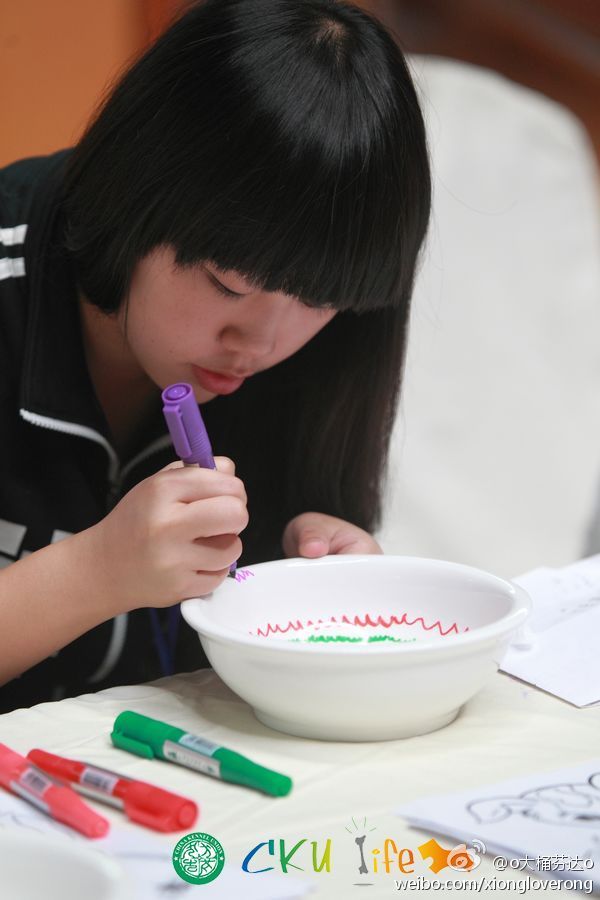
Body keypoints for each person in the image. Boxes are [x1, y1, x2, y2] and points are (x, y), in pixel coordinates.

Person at [0, 0, 431, 712]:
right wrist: (94, 572)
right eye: (229, 285)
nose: (260, 344)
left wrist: (320, 597)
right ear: (136, 191)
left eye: (320, 300)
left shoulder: (325, 355)